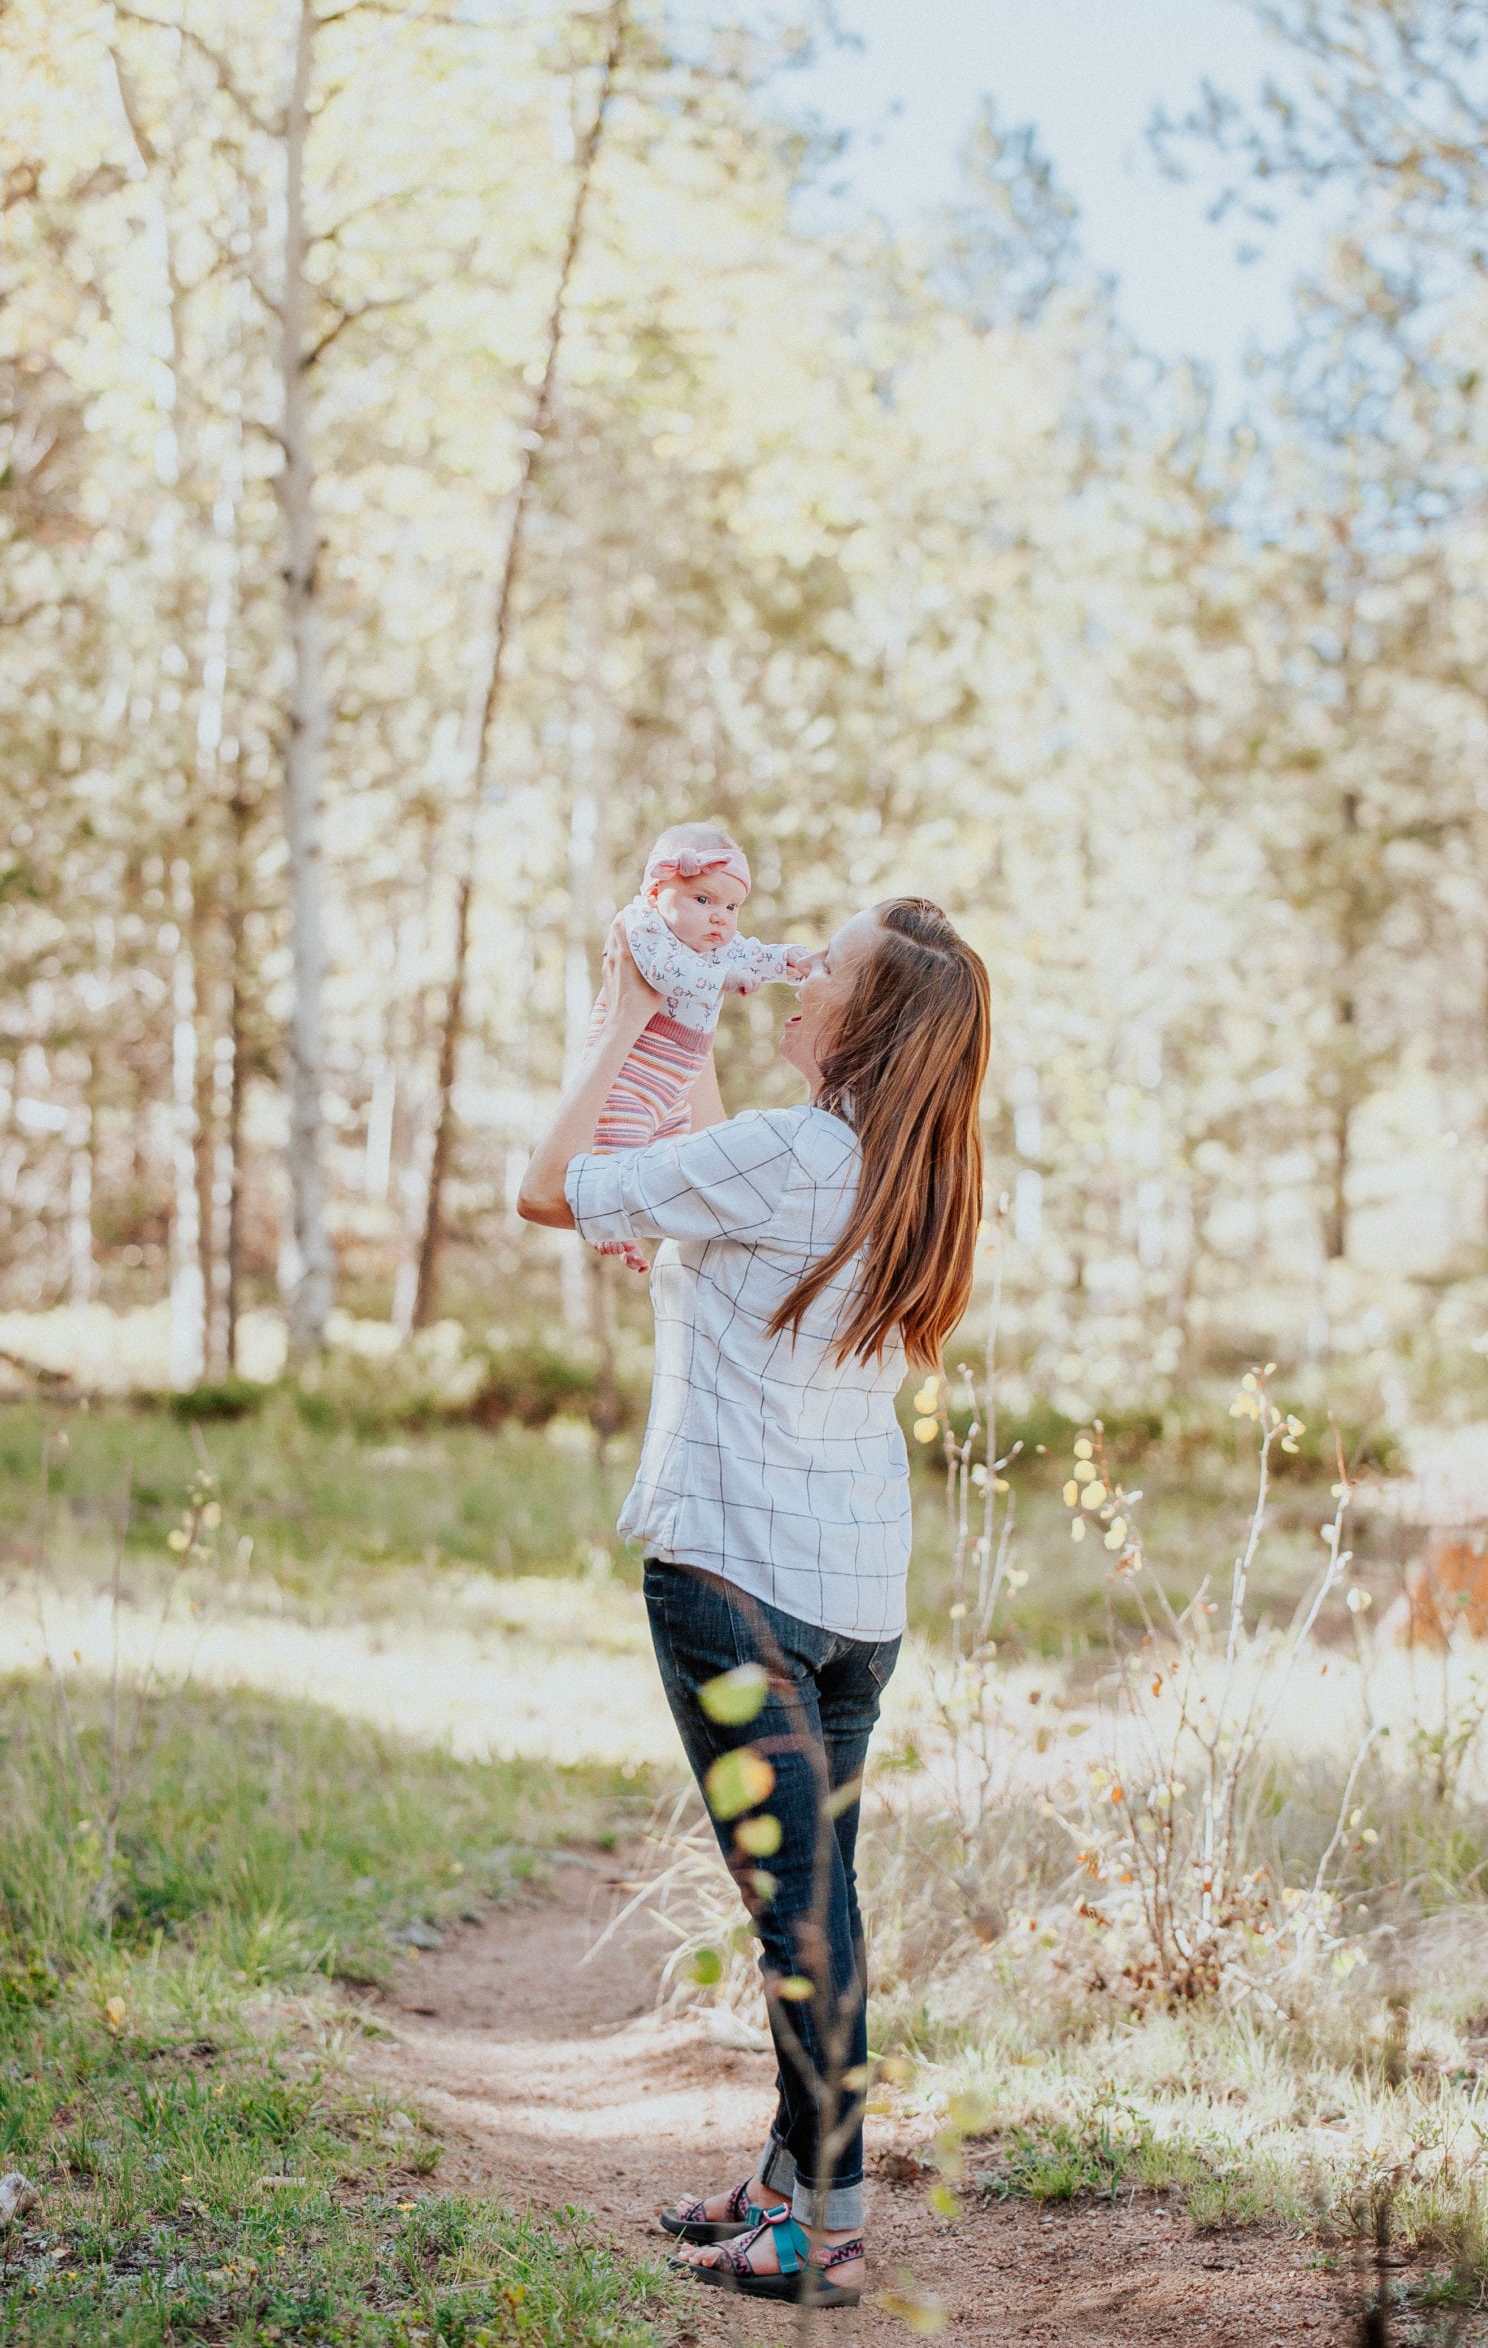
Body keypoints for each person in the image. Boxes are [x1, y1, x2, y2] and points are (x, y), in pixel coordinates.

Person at [518, 895, 990, 2309]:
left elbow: (547, 1186)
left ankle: (824, 2234)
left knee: (797, 1912)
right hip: (853, 1599)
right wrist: (700, 1018)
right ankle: (791, 2180)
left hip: (734, 1589)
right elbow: (716, 1168)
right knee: (818, 1891)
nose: (796, 965)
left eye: (824, 966)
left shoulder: (790, 1156)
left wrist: (621, 1009)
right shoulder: (916, 1170)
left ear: (866, 1020)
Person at [579, 821, 810, 1275]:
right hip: (634, 1074)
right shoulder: (642, 929)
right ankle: (612, 1230)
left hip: (677, 1084)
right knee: (618, 1156)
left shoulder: (712, 942)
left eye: (731, 906)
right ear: (654, 895)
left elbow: (750, 955)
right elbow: (668, 973)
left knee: (673, 1168)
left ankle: (683, 1252)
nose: (720, 917)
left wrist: (787, 961)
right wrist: (722, 980)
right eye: (702, 900)